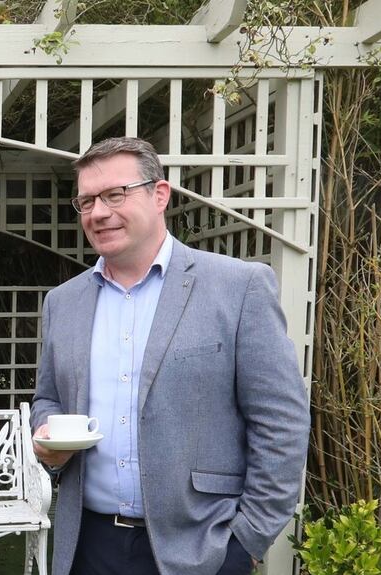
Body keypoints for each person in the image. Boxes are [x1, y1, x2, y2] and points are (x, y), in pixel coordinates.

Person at [31, 137, 310, 575]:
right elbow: (47, 398)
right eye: (86, 201)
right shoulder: (62, 303)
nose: (98, 212)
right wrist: (48, 433)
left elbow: (281, 421)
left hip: (202, 548)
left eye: (115, 194)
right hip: (87, 545)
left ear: (159, 195)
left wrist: (247, 540)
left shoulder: (238, 288)